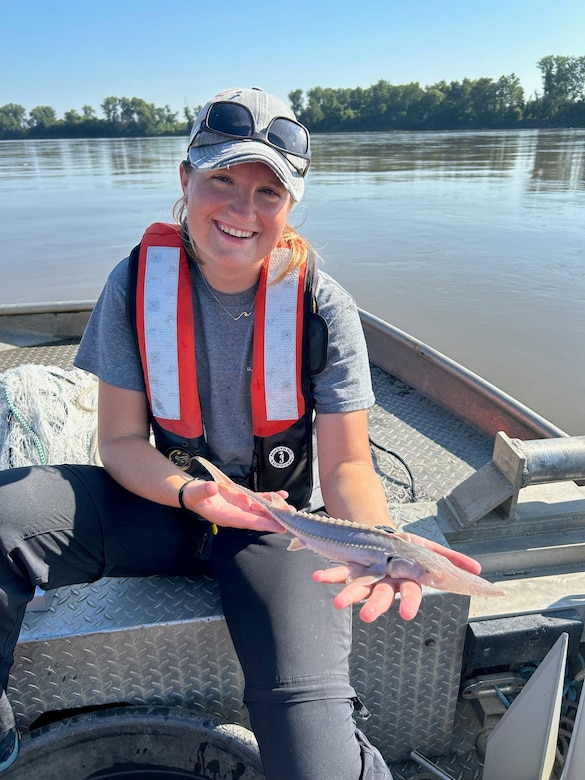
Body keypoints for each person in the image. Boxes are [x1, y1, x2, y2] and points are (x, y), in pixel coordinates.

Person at [0, 87, 481, 778]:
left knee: (313, 753)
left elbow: (346, 466)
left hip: (279, 528)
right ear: (185, 179)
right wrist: (195, 497)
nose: (240, 209)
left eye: (267, 192)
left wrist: (380, 545)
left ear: (290, 207)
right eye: (222, 179)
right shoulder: (135, 283)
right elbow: (121, 444)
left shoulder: (323, 305)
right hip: (158, 503)